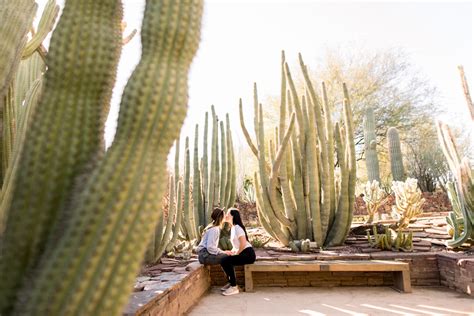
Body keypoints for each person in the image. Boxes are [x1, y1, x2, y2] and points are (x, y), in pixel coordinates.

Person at [220, 208, 256, 296]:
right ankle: (231, 282)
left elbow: (243, 243)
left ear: (233, 216)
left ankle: (234, 286)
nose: (226, 216)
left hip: (248, 254)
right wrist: (231, 252)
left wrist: (237, 253)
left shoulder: (237, 228)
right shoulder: (233, 228)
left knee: (226, 261)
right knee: (224, 259)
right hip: (244, 252)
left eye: (228, 214)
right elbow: (236, 245)